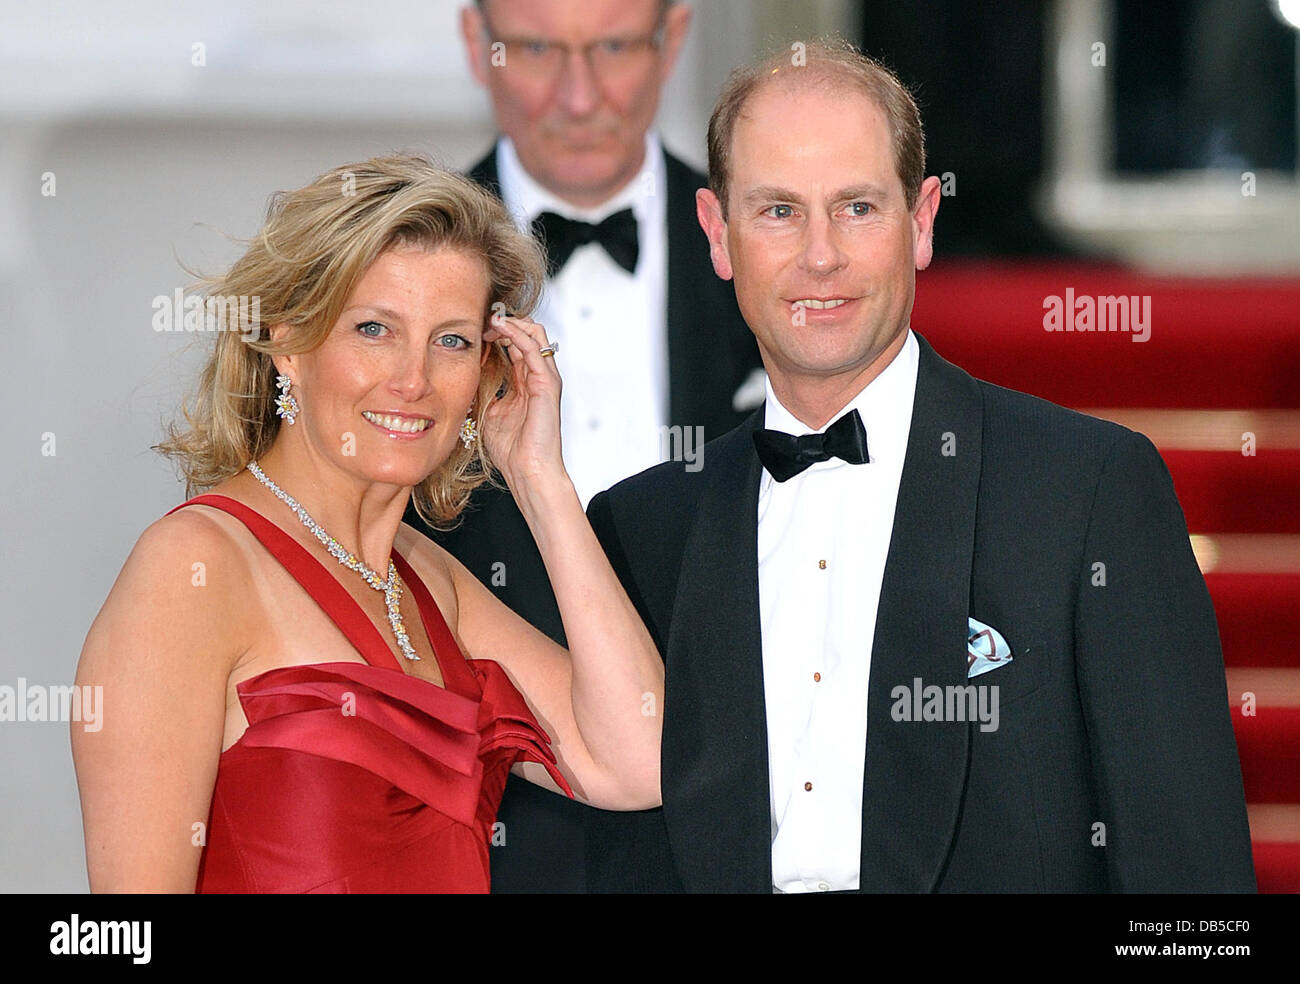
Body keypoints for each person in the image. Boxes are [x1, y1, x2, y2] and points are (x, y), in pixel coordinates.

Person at [581, 40, 1257, 892]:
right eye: (779, 211)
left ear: (924, 218)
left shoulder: (1085, 492)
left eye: (857, 207)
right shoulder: (641, 528)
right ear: (718, 234)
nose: (820, 255)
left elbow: (1190, 882)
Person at [70, 154, 664, 893]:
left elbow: (637, 763)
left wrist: (541, 481)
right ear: (289, 342)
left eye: (451, 341)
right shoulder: (193, 568)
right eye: (375, 328)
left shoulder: (430, 580)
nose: (413, 380)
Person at [405, 0, 761, 892]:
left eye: (610, 46)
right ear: (474, 44)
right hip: (477, 819)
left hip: (735, 810)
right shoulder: (393, 274)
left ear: (672, 38)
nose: (577, 94)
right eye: (535, 49)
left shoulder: (785, 257)